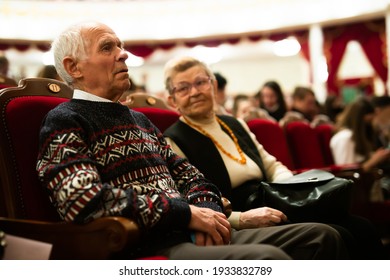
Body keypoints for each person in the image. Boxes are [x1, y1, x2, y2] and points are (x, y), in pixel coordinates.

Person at [35, 21, 348, 260]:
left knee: (324, 236)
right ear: (73, 67)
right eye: (107, 48)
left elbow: (193, 177)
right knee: (270, 260)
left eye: (120, 45)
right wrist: (185, 214)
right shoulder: (66, 120)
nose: (123, 53)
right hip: (146, 245)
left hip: (192, 230)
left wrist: (207, 212)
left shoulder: (138, 119)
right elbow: (83, 200)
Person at [163, 56, 387, 259]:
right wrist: (242, 218)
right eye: (183, 88)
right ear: (172, 100)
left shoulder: (234, 124)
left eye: (201, 82)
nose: (194, 92)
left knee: (361, 227)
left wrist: (292, 193)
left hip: (272, 200)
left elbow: (271, 164)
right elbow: (190, 205)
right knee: (337, 234)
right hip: (240, 213)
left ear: (212, 86)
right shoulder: (174, 140)